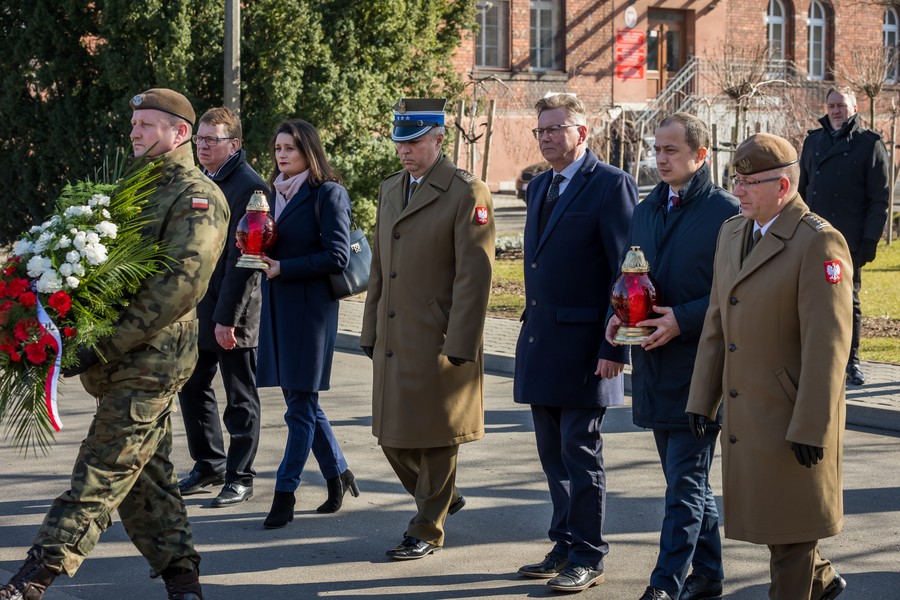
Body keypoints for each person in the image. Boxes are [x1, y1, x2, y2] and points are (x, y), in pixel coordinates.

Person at [0, 88, 229, 600]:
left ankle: (33, 578)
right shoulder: (134, 189)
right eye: (134, 123)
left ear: (180, 133)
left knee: (103, 465)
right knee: (146, 475)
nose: (135, 131)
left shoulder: (197, 196)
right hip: (119, 355)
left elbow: (180, 286)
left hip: (154, 355)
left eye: (148, 123)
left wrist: (101, 344)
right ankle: (183, 580)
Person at [686, 133, 851, 600]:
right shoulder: (732, 232)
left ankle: (806, 581)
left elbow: (829, 345)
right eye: (734, 180)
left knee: (792, 535)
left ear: (783, 185)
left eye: (748, 183)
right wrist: (703, 398)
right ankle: (820, 580)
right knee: (780, 526)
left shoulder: (818, 241)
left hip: (791, 415)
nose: (737, 191)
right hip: (749, 413)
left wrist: (812, 426)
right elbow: (718, 321)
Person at [605, 113, 738, 600]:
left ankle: (665, 585)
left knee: (684, 483)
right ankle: (709, 575)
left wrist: (682, 317)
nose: (660, 159)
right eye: (656, 149)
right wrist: (617, 318)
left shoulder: (727, 212)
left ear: (700, 155)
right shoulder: (647, 208)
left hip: (701, 368)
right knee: (687, 480)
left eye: (671, 151)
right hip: (654, 364)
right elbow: (629, 275)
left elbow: (734, 293)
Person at [360, 98, 495, 560]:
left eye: (415, 142)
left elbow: (474, 277)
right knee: (392, 436)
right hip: (395, 335)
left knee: (437, 437)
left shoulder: (465, 192)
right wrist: (369, 327)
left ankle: (426, 527)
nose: (405, 151)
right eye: (400, 142)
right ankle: (441, 496)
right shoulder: (391, 188)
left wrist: (461, 342)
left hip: (438, 337)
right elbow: (381, 265)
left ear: (440, 139)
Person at [514, 93, 636, 593]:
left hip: (589, 347)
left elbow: (625, 271)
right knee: (552, 454)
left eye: (555, 129)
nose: (546, 137)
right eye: (540, 130)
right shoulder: (540, 186)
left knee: (579, 452)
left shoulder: (610, 185)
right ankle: (563, 543)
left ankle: (589, 553)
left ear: (582, 133)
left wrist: (615, 348)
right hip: (542, 343)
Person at [255, 118, 359, 529]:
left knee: (299, 407)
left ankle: (285, 493)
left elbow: (338, 257)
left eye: (290, 149)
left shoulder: (328, 193)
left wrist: (285, 267)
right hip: (278, 306)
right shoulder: (270, 194)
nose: (281, 155)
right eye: (278, 148)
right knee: (304, 403)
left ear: (308, 152)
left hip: (310, 311)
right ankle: (338, 474)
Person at [176, 107, 268, 508]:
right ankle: (209, 463)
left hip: (234, 313)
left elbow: (246, 262)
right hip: (198, 309)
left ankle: (240, 476)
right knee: (192, 388)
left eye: (211, 140)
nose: (202, 145)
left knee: (240, 398)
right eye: (199, 138)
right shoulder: (199, 181)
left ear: (235, 145)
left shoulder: (251, 189)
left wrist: (226, 318)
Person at [799, 85, 890, 386]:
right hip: (813, 237)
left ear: (854, 108)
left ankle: (852, 362)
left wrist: (869, 240)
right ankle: (815, 359)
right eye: (832, 105)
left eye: (842, 105)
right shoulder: (813, 142)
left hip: (847, 240)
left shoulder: (869, 144)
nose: (836, 110)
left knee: (848, 301)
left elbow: (879, 198)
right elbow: (801, 191)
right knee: (810, 299)